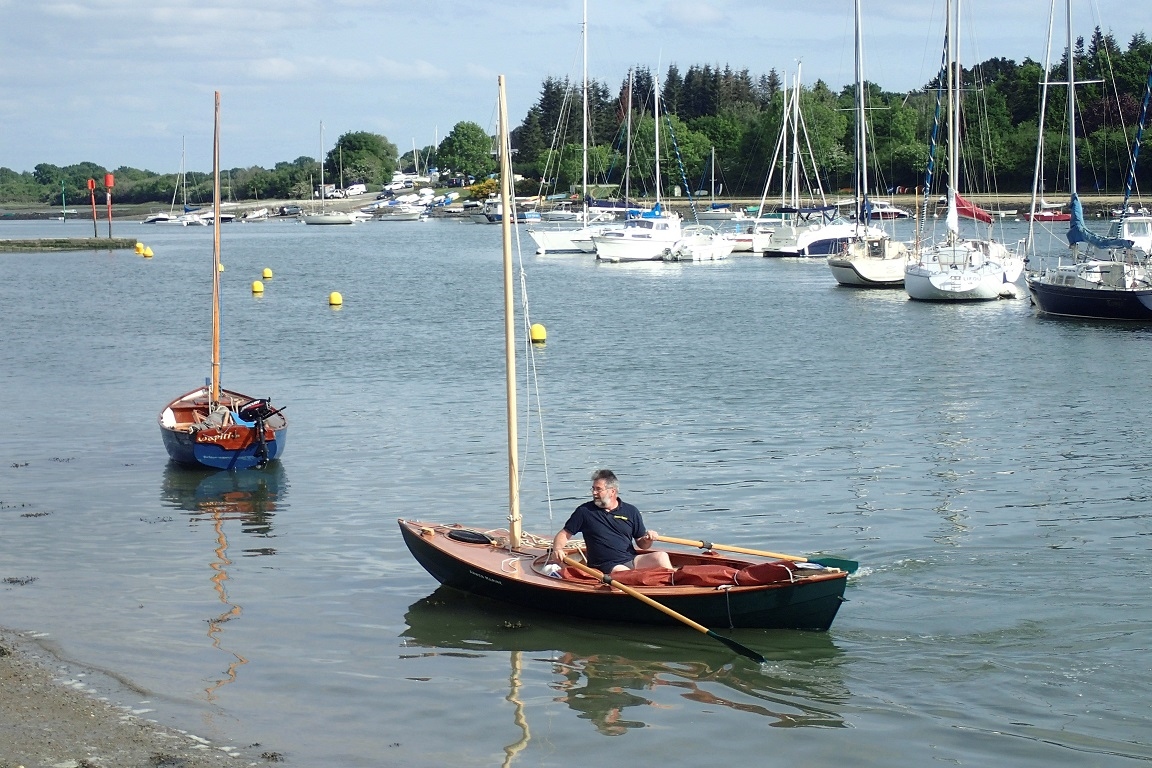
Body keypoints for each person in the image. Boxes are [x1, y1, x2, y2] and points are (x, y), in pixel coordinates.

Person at [550, 469, 673, 573]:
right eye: (593, 489)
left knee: (661, 556)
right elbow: (564, 534)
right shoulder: (584, 511)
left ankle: (674, 588)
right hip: (603, 566)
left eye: (598, 489)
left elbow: (642, 544)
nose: (594, 493)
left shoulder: (631, 511)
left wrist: (648, 539)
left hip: (630, 559)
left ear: (612, 491)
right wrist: (557, 549)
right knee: (624, 573)